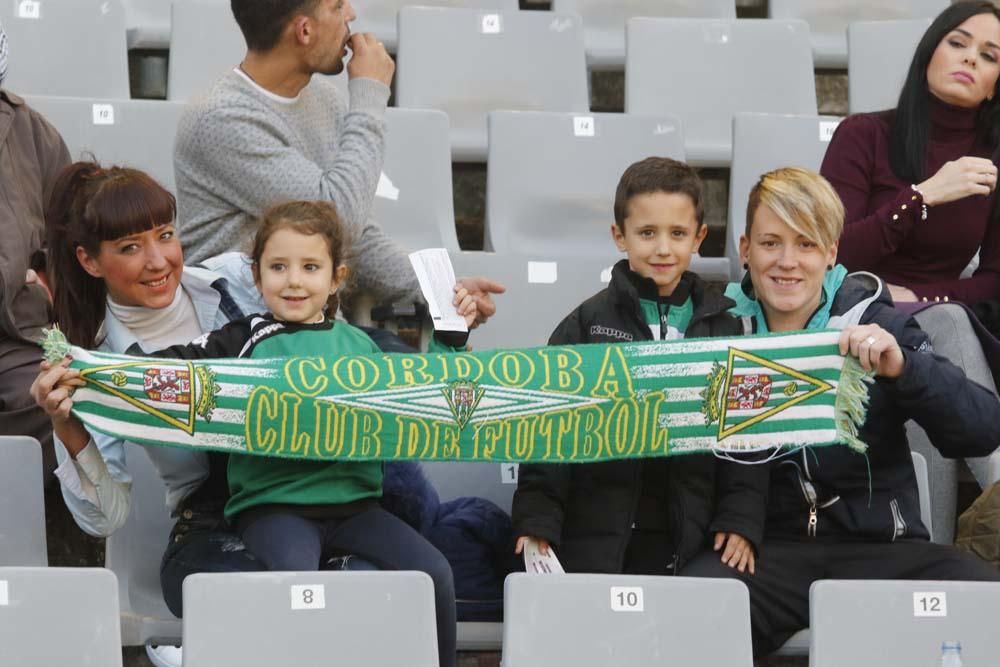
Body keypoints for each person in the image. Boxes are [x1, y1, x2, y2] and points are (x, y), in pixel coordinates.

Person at [680, 167, 1000, 658]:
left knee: (982, 599)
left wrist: (905, 368)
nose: (788, 262)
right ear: (745, 249)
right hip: (763, 553)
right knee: (690, 608)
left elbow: (981, 429)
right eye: (771, 243)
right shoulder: (714, 331)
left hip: (880, 549)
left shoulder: (876, 320)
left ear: (831, 253)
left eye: (807, 244)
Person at [135, 200, 471, 667]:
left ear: (337, 278)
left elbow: (430, 396)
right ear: (257, 275)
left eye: (310, 267)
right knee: (297, 589)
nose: (293, 280)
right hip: (275, 509)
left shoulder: (361, 345)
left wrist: (452, 340)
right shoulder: (239, 339)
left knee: (436, 571)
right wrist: (108, 373)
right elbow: (168, 368)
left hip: (356, 509)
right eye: (278, 267)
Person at [30, 163, 268, 626]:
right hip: (211, 525)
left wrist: (453, 302)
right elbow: (106, 519)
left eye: (165, 234)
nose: (158, 261)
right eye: (130, 247)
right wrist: (66, 425)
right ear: (89, 261)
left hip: (309, 492)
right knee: (253, 593)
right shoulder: (97, 366)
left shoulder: (238, 280)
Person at [511, 158, 766, 577]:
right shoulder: (587, 323)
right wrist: (537, 518)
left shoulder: (726, 328)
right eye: (647, 233)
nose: (663, 248)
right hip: (596, 534)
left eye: (678, 234)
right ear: (620, 236)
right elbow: (546, 428)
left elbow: (745, 438)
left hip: (690, 538)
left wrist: (740, 520)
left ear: (699, 237)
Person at [174, 0, 503, 321]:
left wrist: (442, 291)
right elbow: (339, 220)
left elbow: (356, 238)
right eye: (337, 6)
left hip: (318, 329)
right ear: (305, 30)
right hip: (243, 333)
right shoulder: (222, 119)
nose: (352, 14)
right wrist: (370, 94)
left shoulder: (322, 98)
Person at [822, 1, 1000, 305]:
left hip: (940, 315)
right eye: (958, 43)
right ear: (928, 55)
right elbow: (830, 253)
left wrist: (919, 297)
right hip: (851, 306)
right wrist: (920, 197)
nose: (970, 58)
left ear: (993, 88)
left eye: (988, 56)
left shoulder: (993, 159)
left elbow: (995, 281)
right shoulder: (863, 134)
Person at [0, 18, 71, 475]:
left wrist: (47, 282)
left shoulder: (30, 131)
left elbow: (69, 238)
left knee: (70, 401)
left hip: (18, 338)